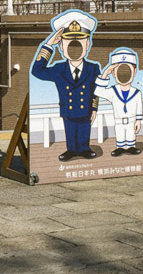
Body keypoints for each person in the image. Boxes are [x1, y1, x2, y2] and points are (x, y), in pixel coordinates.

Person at [31, 10, 101, 161]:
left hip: (85, 110)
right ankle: (71, 150)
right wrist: (49, 44)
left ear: (87, 44)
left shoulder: (93, 68)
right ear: (61, 46)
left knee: (83, 129)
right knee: (70, 130)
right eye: (69, 43)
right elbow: (37, 71)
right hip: (68, 109)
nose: (74, 48)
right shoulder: (58, 69)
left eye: (79, 43)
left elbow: (96, 90)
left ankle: (84, 148)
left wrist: (94, 108)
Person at [95, 48, 143, 156]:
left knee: (131, 135)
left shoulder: (137, 92)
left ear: (134, 72)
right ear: (114, 73)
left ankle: (131, 147)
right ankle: (120, 147)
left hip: (131, 120)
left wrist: (138, 120)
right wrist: (105, 73)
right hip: (119, 120)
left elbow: (139, 107)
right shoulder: (113, 91)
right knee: (120, 134)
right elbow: (98, 91)